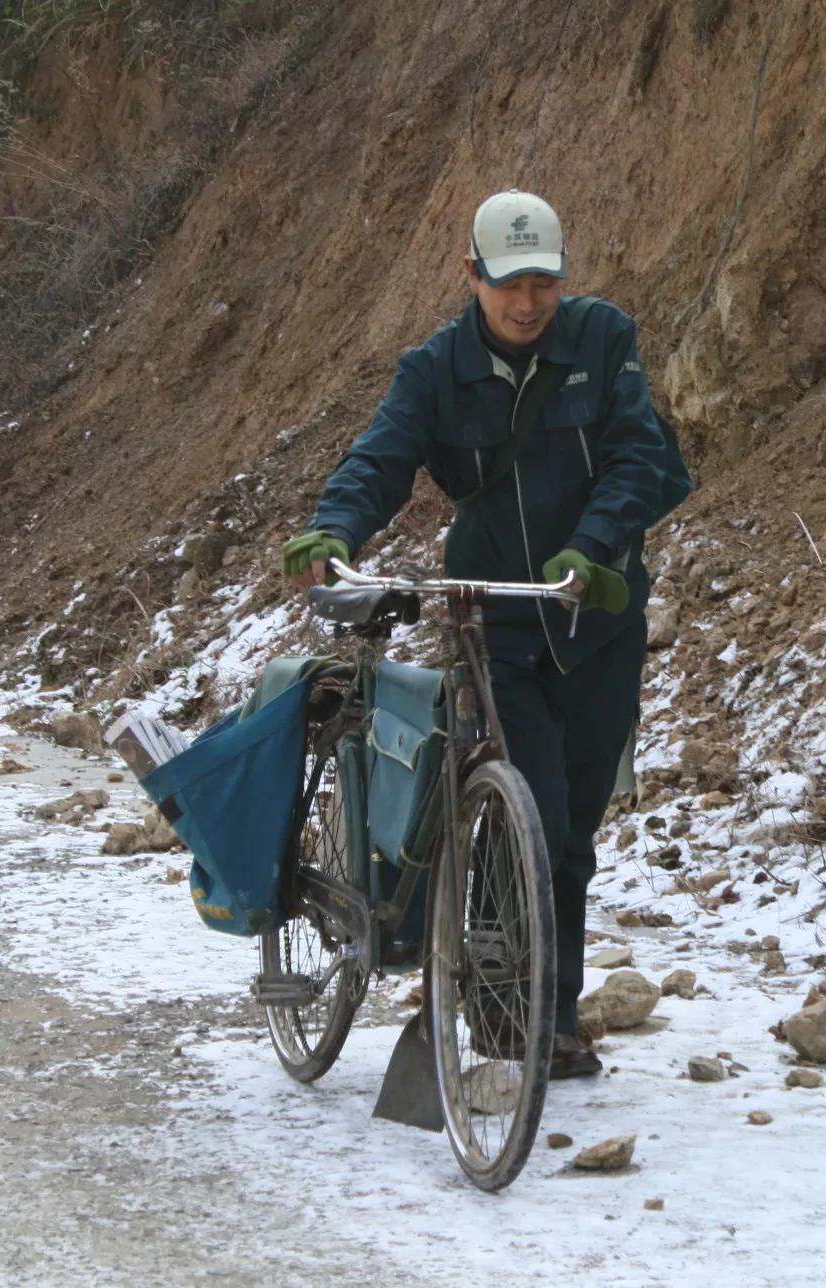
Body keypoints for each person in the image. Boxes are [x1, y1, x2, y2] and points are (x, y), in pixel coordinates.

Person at [281, 189, 691, 1079]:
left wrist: (589, 551)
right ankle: (510, 1015)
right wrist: (336, 527)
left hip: (597, 614)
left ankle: (555, 1009)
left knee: (574, 826)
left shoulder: (603, 340)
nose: (527, 302)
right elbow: (383, 455)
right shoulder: (435, 368)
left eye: (543, 282)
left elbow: (639, 458)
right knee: (528, 811)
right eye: (508, 283)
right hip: (495, 613)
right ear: (472, 275)